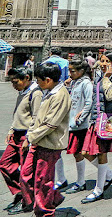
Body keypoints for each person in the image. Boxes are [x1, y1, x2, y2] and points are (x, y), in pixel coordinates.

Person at [19, 61, 71, 217]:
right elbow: (38, 118)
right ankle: (53, 197)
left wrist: (32, 137)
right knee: (25, 175)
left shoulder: (60, 95)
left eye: (39, 80)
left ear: (48, 80)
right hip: (38, 140)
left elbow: (50, 124)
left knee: (43, 181)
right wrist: (29, 136)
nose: (37, 83)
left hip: (49, 143)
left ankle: (46, 211)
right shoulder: (48, 91)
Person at [80, 52, 112, 204]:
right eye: (102, 61)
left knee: (101, 153)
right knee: (85, 152)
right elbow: (95, 97)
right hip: (96, 119)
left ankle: (98, 189)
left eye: (107, 61)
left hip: (107, 120)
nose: (104, 63)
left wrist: (106, 77)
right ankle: (109, 174)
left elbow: (110, 94)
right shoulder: (99, 75)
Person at [0, 67, 42, 214]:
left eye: (16, 82)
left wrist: (29, 138)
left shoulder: (35, 93)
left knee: (26, 171)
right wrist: (11, 130)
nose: (14, 85)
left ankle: (27, 201)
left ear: (27, 78)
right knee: (5, 164)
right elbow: (18, 113)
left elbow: (36, 117)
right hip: (16, 134)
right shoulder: (22, 92)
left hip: (26, 136)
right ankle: (21, 193)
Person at [54, 58, 94, 193]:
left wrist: (81, 118)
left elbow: (89, 102)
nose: (70, 73)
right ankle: (61, 179)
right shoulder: (75, 82)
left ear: (81, 71)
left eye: (72, 71)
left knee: (78, 153)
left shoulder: (86, 83)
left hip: (78, 125)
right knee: (57, 150)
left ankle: (81, 181)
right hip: (68, 123)